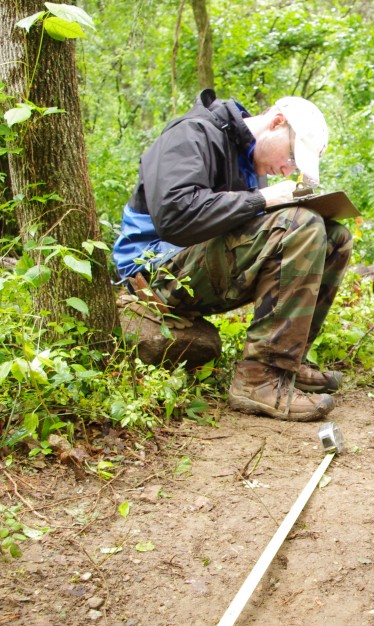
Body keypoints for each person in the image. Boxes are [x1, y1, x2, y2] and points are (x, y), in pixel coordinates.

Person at [113, 89, 352, 422]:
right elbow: (173, 216)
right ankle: (258, 380)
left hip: (194, 268)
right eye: (292, 156)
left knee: (335, 237)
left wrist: (269, 202)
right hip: (152, 272)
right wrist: (263, 200)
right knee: (300, 224)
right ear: (276, 122)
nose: (287, 169)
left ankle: (286, 363)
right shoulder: (192, 134)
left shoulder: (252, 160)